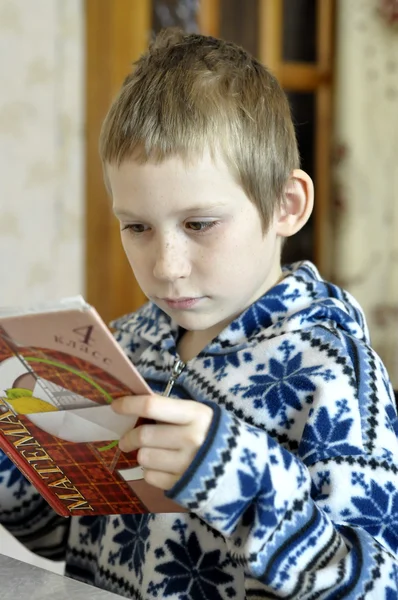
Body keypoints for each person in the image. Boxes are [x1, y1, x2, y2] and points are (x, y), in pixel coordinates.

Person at [1, 28, 398, 599]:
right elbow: (67, 535)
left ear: (286, 206)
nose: (166, 266)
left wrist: (239, 478)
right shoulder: (126, 343)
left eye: (199, 224)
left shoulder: (333, 373)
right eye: (136, 226)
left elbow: (376, 585)